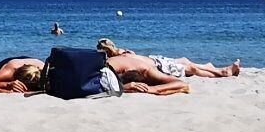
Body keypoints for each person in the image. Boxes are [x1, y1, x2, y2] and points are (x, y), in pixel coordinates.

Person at [96, 38, 241, 94]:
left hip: (155, 61)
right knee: (191, 68)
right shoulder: (117, 58)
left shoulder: (120, 53)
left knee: (187, 63)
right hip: (158, 65)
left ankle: (213, 69)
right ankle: (223, 72)